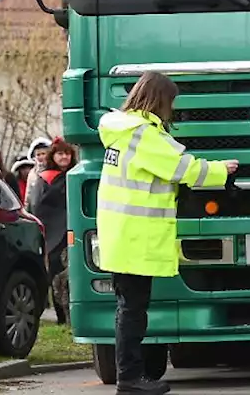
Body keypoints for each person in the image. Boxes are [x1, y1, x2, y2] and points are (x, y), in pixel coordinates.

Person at [96, 71, 238, 395]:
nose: (171, 110)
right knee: (132, 312)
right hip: (135, 237)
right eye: (170, 102)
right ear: (160, 100)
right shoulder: (142, 135)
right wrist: (221, 170)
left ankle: (130, 376)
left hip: (124, 235)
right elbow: (183, 168)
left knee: (129, 309)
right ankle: (130, 378)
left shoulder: (124, 131)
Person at [32, 137, 76, 325]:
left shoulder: (76, 175)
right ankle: (61, 316)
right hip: (54, 231)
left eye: (67, 153)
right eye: (60, 153)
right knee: (57, 273)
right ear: (53, 156)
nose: (64, 157)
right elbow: (37, 205)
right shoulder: (45, 178)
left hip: (74, 229)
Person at [22, 137, 53, 213]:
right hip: (36, 211)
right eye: (38, 154)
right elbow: (28, 195)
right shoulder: (32, 173)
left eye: (43, 154)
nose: (41, 157)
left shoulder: (53, 170)